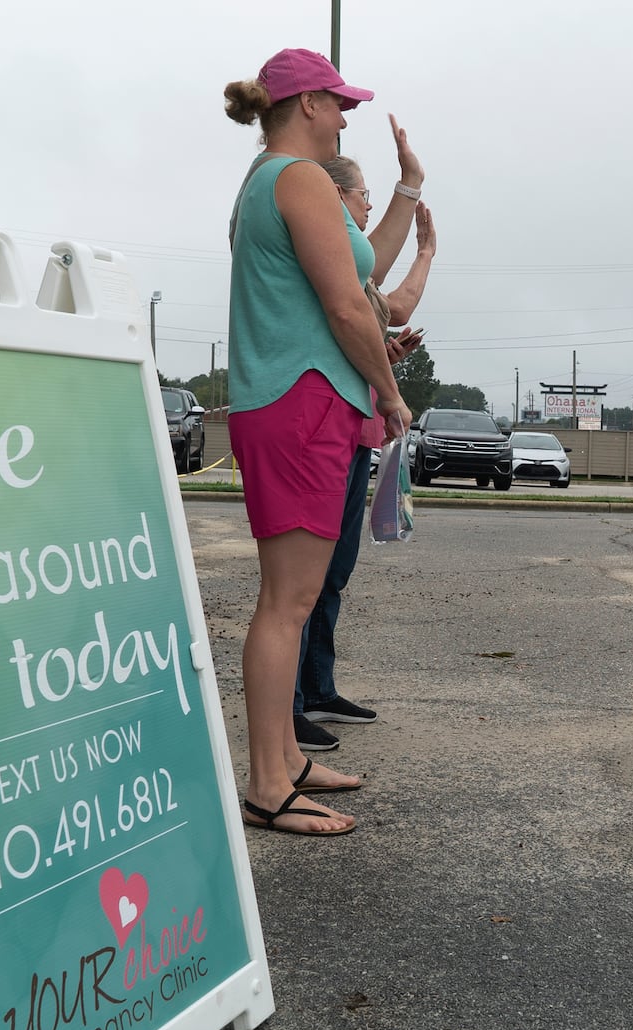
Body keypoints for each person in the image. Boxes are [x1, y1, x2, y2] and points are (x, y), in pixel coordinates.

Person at [222, 47, 413, 836]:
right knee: (286, 601)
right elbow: (345, 308)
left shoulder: (272, 182)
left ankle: (287, 760)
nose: (346, 118)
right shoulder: (296, 179)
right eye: (340, 104)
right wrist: (394, 394)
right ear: (305, 104)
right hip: (299, 402)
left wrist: (410, 188)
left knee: (292, 601)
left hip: (302, 400)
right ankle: (269, 782)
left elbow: (356, 298)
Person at [292, 152, 437, 751]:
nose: (369, 206)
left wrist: (427, 256)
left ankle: (318, 688)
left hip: (354, 432)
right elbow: (371, 311)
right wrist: (391, 389)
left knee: (335, 570)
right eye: (363, 196)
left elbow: (389, 311)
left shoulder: (356, 275)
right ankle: (290, 704)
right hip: (319, 428)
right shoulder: (329, 261)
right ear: (336, 198)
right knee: (303, 576)